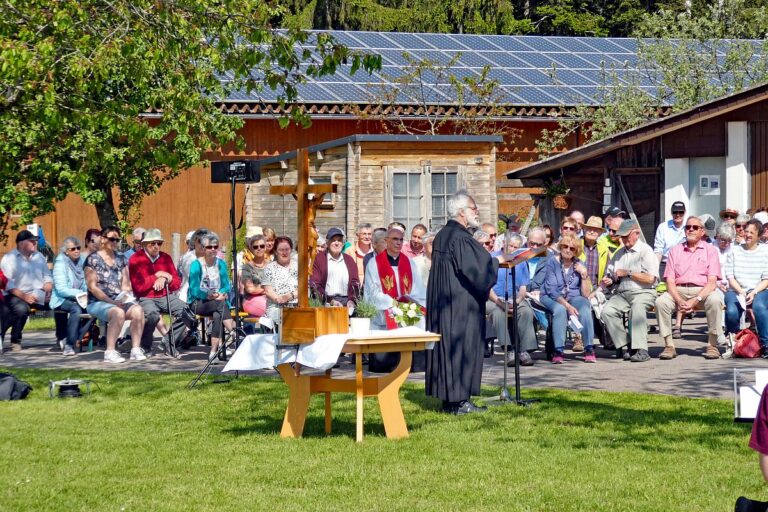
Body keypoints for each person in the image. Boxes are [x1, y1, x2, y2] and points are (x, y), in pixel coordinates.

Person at [426, 191, 500, 415]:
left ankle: (449, 401)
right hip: (460, 305)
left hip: (444, 303)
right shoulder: (460, 238)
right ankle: (459, 402)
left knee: (448, 350)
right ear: (461, 212)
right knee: (460, 348)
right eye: (473, 208)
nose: (477, 212)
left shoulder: (443, 235)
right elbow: (477, 270)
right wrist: (496, 262)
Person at [654, 216, 723, 360]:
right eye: (688, 227)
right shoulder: (675, 251)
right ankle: (669, 345)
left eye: (695, 227)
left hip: (702, 291)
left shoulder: (711, 251)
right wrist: (679, 300)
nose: (690, 229)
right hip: (678, 290)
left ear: (702, 231)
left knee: (715, 300)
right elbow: (670, 281)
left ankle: (712, 345)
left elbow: (712, 282)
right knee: (661, 302)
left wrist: (695, 300)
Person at [364, 227, 427, 371]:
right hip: (386, 309)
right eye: (394, 239)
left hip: (407, 307)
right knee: (384, 321)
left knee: (420, 318)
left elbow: (418, 288)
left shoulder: (409, 263)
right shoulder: (374, 264)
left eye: (401, 239)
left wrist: (409, 301)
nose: (399, 243)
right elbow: (372, 292)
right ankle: (386, 364)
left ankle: (414, 364)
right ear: (386, 241)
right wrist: (392, 303)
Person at [600, 219, 660, 363]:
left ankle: (641, 350)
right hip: (622, 293)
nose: (624, 239)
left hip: (643, 292)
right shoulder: (618, 253)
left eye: (627, 236)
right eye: (622, 236)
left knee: (637, 308)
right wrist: (610, 280)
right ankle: (628, 343)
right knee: (607, 312)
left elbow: (651, 279)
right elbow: (612, 274)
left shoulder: (646, 251)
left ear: (636, 234)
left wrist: (628, 272)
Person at [85, 226, 146, 363]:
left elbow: (125, 282)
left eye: (117, 240)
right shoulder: (92, 260)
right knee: (118, 312)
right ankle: (110, 351)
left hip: (118, 300)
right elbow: (92, 287)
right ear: (102, 239)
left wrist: (126, 294)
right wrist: (111, 302)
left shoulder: (122, 258)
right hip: (97, 302)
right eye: (112, 239)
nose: (115, 242)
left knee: (138, 310)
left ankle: (135, 348)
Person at [487, 228, 547, 366]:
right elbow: (487, 287)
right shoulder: (492, 258)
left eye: (516, 247)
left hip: (514, 298)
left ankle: (523, 350)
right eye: (511, 246)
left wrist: (517, 301)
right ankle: (509, 350)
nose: (513, 249)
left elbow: (523, 288)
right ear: (504, 243)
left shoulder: (521, 261)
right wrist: (499, 302)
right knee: (498, 313)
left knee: (525, 311)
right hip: (493, 298)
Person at [538, 233, 596, 363]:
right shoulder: (552, 262)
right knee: (560, 310)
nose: (568, 250)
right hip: (551, 297)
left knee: (585, 306)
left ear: (577, 251)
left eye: (572, 248)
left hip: (573, 296)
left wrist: (584, 275)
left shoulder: (579, 263)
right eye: (565, 246)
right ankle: (558, 350)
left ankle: (589, 348)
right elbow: (552, 290)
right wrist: (568, 307)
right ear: (560, 246)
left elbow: (586, 294)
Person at [129, 229, 186, 355]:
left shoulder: (166, 258)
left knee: (188, 312)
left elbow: (176, 283)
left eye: (159, 243)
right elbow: (138, 287)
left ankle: (168, 341)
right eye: (152, 243)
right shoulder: (135, 259)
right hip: (146, 297)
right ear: (144, 244)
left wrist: (166, 278)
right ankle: (146, 345)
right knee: (152, 315)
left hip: (165, 295)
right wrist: (156, 275)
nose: (156, 247)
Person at [0, 230, 53, 352]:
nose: (35, 243)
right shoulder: (9, 259)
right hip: (15, 294)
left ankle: (63, 338)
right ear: (21, 244)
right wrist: (25, 296)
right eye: (31, 241)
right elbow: (7, 284)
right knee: (22, 309)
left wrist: (48, 285)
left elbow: (47, 275)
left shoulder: (39, 257)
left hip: (38, 293)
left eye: (35, 241)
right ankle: (15, 340)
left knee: (58, 303)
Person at [188, 232, 235, 361]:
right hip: (199, 302)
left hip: (217, 301)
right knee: (220, 305)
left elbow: (226, 285)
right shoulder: (196, 265)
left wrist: (220, 293)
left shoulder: (221, 264)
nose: (213, 249)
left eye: (216, 246)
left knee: (218, 314)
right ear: (203, 249)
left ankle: (213, 352)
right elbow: (194, 289)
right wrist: (208, 295)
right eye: (210, 247)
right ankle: (234, 332)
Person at [724, 219, 768, 357]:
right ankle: (735, 342)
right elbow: (730, 277)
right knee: (731, 312)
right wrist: (741, 291)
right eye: (746, 231)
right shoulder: (734, 251)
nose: (747, 234)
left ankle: (766, 344)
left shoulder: (765, 251)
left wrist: (754, 291)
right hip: (737, 289)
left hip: (758, 289)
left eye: (751, 232)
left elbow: (766, 279)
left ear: (759, 235)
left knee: (759, 307)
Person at [50, 237, 89, 356]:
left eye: (78, 248)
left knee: (95, 308)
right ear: (66, 251)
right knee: (75, 309)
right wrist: (80, 294)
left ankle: (75, 337)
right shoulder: (60, 263)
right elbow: (61, 289)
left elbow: (86, 282)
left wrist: (88, 294)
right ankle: (69, 345)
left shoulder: (82, 261)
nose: (76, 251)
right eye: (73, 249)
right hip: (61, 299)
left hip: (80, 298)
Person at [310, 228, 360, 307]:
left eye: (339, 240)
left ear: (343, 243)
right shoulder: (319, 259)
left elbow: (355, 282)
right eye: (333, 240)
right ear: (327, 242)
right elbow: (315, 284)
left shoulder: (349, 260)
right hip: (326, 302)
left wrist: (352, 300)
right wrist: (330, 301)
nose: (337, 243)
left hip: (347, 302)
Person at [262, 236, 299, 326]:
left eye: (287, 249)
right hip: (276, 307)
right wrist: (279, 299)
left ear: (291, 250)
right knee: (288, 319)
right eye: (281, 250)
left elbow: (305, 288)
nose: (284, 253)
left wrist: (290, 296)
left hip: (297, 306)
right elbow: (267, 290)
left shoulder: (299, 266)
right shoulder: (269, 268)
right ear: (275, 251)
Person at [653, 201, 687, 275]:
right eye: (675, 212)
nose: (678, 215)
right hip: (665, 265)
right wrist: (654, 269)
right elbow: (658, 250)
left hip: (684, 266)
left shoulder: (689, 227)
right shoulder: (663, 227)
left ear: (685, 212)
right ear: (671, 213)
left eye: (681, 212)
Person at [240, 234, 269, 318]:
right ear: (251, 249)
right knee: (274, 311)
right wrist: (267, 288)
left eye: (262, 246)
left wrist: (261, 289)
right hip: (251, 300)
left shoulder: (271, 265)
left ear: (265, 247)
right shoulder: (247, 267)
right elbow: (250, 289)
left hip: (269, 298)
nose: (259, 248)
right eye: (255, 247)